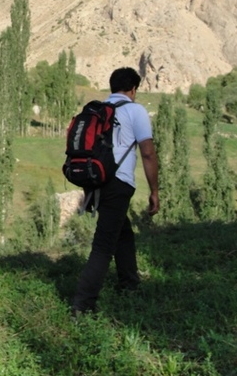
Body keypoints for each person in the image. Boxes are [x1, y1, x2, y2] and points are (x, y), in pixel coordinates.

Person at [71, 67, 160, 316]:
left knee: (122, 232)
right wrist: (154, 190)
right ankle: (82, 305)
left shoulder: (97, 110)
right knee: (103, 245)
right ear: (133, 89)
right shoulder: (135, 110)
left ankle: (129, 283)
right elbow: (148, 152)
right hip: (117, 183)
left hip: (95, 179)